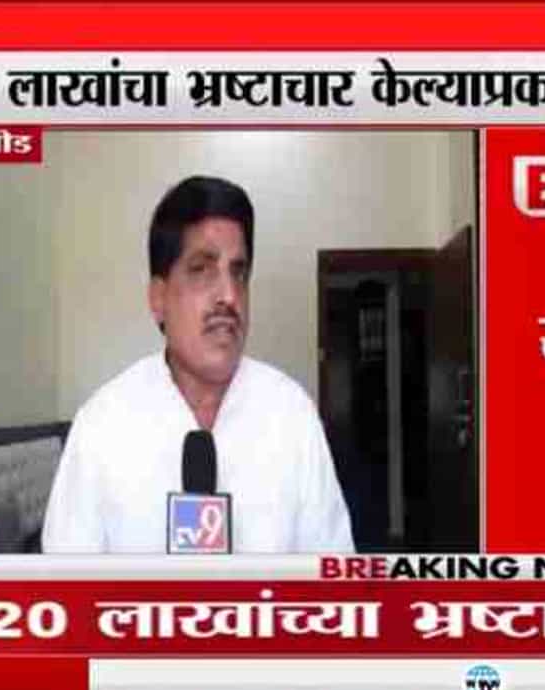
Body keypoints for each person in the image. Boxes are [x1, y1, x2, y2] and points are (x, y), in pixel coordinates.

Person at [42, 176, 354, 553]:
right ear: (158, 298)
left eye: (238, 272)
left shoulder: (291, 414)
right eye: (202, 269)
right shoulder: (101, 426)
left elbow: (332, 570)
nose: (229, 295)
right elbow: (66, 581)